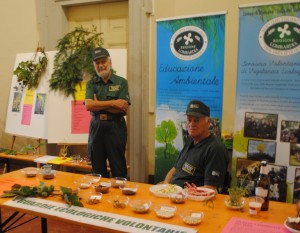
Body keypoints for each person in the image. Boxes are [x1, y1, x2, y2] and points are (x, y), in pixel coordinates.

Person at [85, 47, 130, 178]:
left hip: (115, 127)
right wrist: (113, 103)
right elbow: (89, 105)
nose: (100, 65)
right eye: (97, 63)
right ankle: (100, 197)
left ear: (110, 62)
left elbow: (122, 107)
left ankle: (120, 197)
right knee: (97, 171)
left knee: (119, 169)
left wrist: (98, 104)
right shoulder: (91, 84)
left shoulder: (121, 82)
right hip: (96, 127)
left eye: (103, 61)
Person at [163, 100, 229, 191]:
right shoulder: (191, 140)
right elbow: (175, 168)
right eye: (189, 120)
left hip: (192, 200)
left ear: (208, 122)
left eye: (197, 120)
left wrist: (182, 193)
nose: (191, 124)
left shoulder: (215, 149)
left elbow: (211, 189)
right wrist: (165, 185)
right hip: (173, 195)